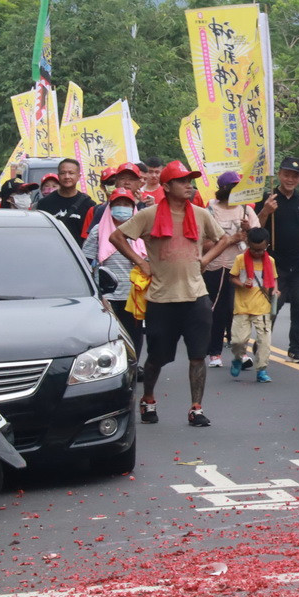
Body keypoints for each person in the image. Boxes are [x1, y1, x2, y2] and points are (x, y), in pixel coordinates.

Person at [110, 161, 240, 427]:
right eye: (183, 181)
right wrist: (141, 262)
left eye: (190, 181)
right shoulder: (150, 214)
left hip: (196, 297)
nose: (189, 186)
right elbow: (117, 237)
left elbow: (224, 239)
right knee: (158, 357)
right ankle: (148, 399)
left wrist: (205, 260)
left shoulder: (200, 214)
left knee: (197, 356)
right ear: (167, 186)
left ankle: (196, 408)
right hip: (161, 299)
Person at [256, 156, 299, 364]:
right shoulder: (268, 198)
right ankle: (262, 344)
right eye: (286, 174)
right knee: (273, 306)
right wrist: (266, 211)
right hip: (275, 263)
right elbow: (256, 230)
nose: (290, 179)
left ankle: (295, 350)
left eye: (295, 175)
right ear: (280, 175)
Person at [82, 187, 146, 356]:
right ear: (110, 207)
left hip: (134, 293)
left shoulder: (142, 231)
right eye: (118, 204)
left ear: (133, 208)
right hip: (107, 294)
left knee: (134, 333)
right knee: (109, 334)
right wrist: (95, 293)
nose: (122, 207)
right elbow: (87, 262)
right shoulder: (98, 231)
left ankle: (133, 364)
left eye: (126, 204)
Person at [204, 171, 259, 368]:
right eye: (234, 186)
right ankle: (215, 353)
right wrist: (229, 240)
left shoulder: (246, 210)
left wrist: (249, 231)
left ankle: (240, 352)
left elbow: (259, 242)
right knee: (218, 311)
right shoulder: (211, 210)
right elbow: (203, 243)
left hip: (241, 267)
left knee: (239, 311)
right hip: (216, 267)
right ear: (224, 189)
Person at [229, 227, 278, 383]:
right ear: (248, 244)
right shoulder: (240, 259)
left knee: (264, 341)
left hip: (262, 307)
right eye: (254, 250)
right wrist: (242, 284)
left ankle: (261, 370)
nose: (257, 253)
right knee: (238, 341)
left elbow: (274, 280)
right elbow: (232, 278)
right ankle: (238, 358)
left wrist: (276, 290)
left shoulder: (270, 261)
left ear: (267, 246)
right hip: (242, 306)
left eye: (261, 250)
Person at [36, 158, 96, 241]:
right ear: (58, 176)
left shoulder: (89, 204)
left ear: (79, 176)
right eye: (63, 173)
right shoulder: (44, 203)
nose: (67, 176)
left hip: (78, 252)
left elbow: (92, 236)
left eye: (71, 173)